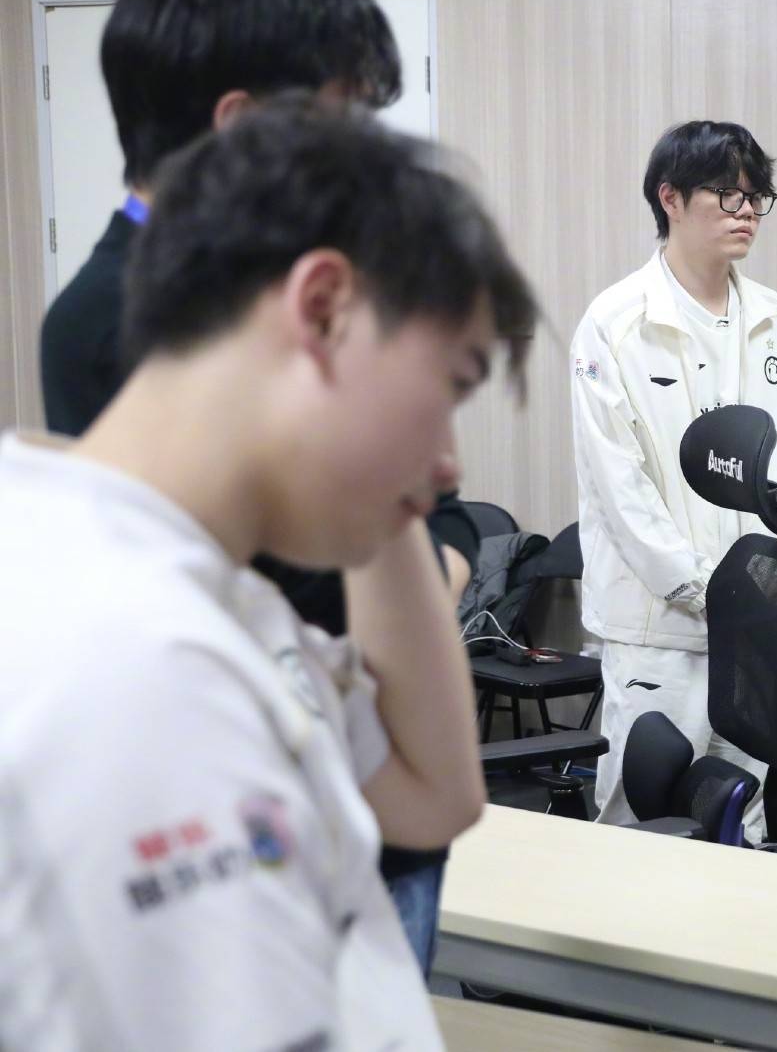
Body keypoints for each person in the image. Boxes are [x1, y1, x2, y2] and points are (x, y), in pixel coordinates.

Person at [0, 103, 536, 1050]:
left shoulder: (193, 582)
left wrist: (379, 478)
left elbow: (437, 796)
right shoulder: (146, 664)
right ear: (323, 308)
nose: (451, 461)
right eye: (450, 385)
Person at [39, 0, 400, 438]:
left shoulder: (294, 274)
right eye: (340, 123)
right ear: (242, 127)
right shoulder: (100, 323)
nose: (359, 155)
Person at [571, 120, 777, 831]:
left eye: (756, 197)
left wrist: (770, 595)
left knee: (743, 816)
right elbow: (621, 488)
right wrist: (704, 590)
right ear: (671, 198)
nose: (747, 212)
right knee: (641, 815)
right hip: (659, 625)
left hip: (759, 625)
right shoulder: (616, 324)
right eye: (727, 194)